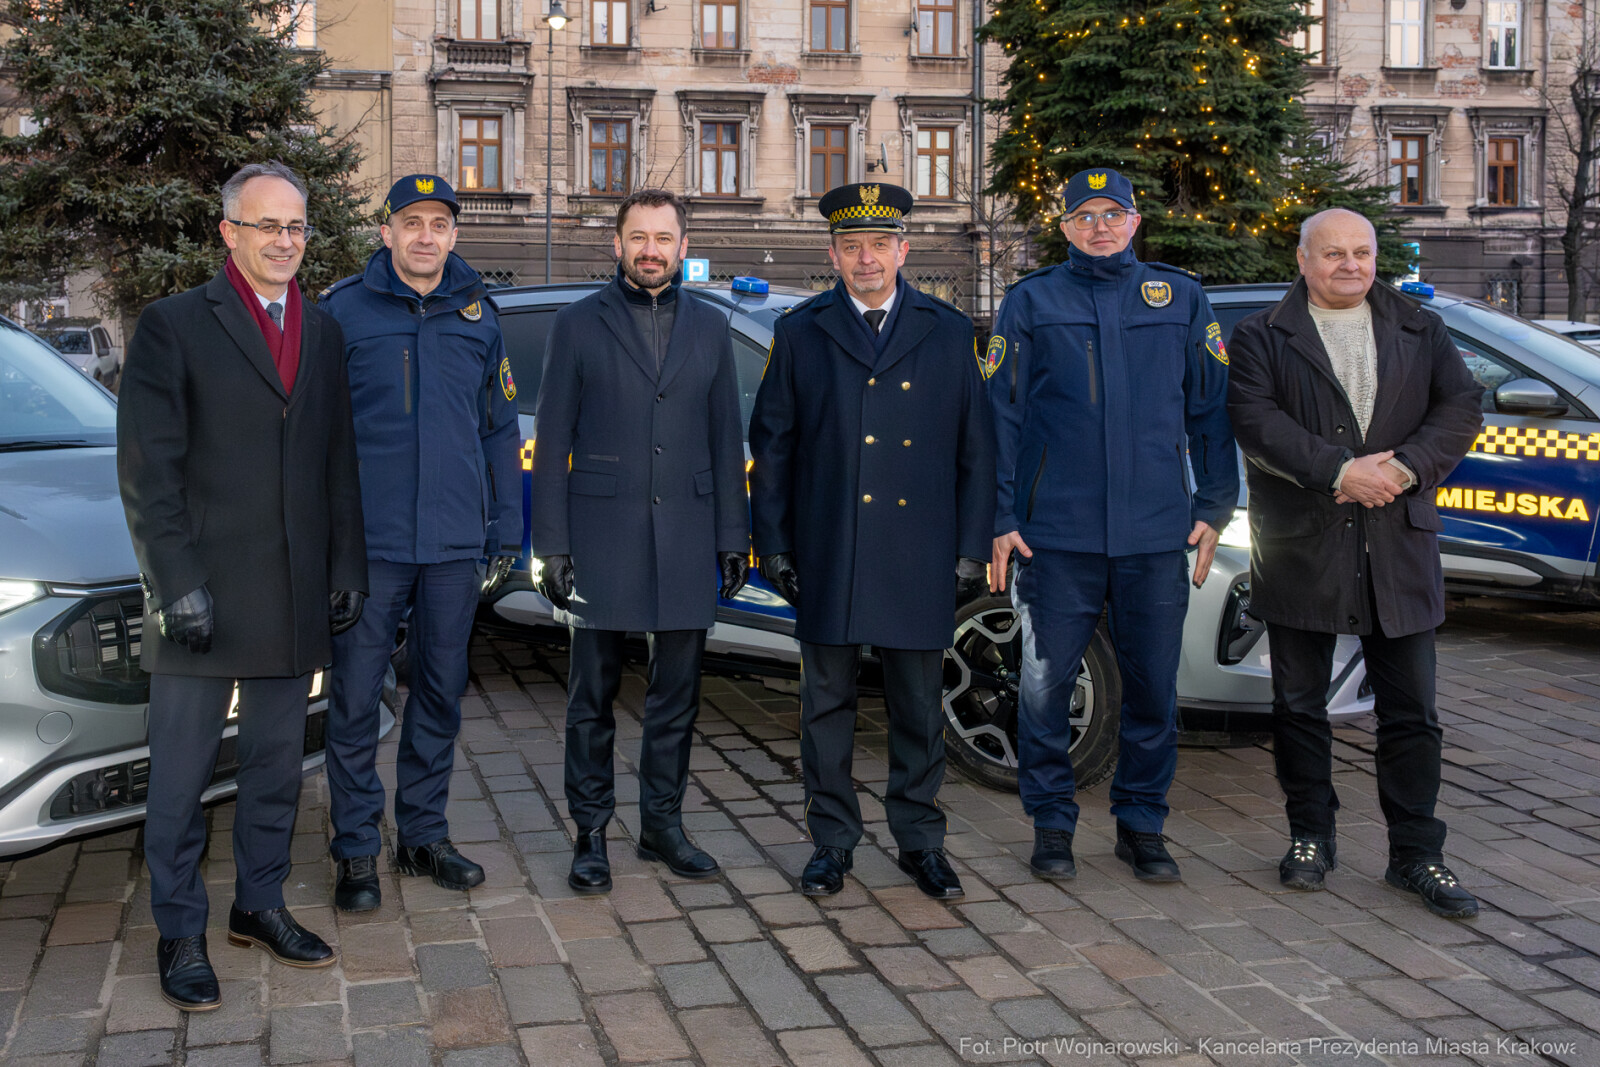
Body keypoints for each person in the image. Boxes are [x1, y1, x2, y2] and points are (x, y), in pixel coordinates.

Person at [117, 161, 367, 1010]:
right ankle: (179, 929)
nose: (284, 241)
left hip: (293, 592)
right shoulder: (174, 324)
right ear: (229, 232)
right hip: (202, 596)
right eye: (267, 225)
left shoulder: (322, 330)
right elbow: (148, 471)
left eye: (296, 226)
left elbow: (337, 459)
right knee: (181, 778)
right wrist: (174, 581)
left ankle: (258, 904)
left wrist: (346, 566)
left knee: (274, 768)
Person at [1226, 208, 1483, 917]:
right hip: (1303, 543)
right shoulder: (1261, 334)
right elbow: (1256, 420)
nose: (1350, 265)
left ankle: (1416, 853)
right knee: (1298, 706)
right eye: (1333, 253)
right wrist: (1340, 470)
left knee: (1413, 711)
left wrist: (1404, 468)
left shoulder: (1419, 327)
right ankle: (1311, 836)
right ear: (1303, 259)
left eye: (1362, 253)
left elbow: (1461, 406)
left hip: (1399, 541)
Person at [988, 168, 1238, 884]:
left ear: (1135, 221)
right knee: (1045, 687)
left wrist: (1214, 505)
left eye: (1113, 213)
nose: (1100, 226)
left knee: (1153, 688)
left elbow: (1210, 409)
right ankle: (1052, 823)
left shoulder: (1180, 297)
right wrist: (1001, 515)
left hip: (1155, 535)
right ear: (1064, 226)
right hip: (1054, 535)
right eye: (1085, 215)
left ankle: (1142, 824)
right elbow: (1001, 415)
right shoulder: (1031, 300)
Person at [749, 182, 995, 900]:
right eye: (852, 246)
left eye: (879, 245)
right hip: (830, 545)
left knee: (917, 706)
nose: (866, 259)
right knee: (825, 706)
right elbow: (773, 448)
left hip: (919, 548)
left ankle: (921, 840)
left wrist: (971, 548)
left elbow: (978, 449)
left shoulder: (947, 331)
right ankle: (831, 841)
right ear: (832, 255)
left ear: (903, 250)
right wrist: (775, 545)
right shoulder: (801, 331)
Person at [530, 189, 749, 894]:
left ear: (683, 247)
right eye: (638, 237)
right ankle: (590, 832)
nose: (650, 250)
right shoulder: (576, 323)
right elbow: (553, 438)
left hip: (687, 531)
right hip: (602, 534)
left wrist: (732, 537)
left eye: (662, 238)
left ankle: (662, 826)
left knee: (675, 696)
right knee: (590, 697)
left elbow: (726, 437)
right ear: (617, 244)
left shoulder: (711, 326)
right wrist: (552, 545)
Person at [318, 175, 523, 910]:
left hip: (453, 543)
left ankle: (423, 836)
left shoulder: (480, 315)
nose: (425, 236)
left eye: (438, 223)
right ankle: (355, 850)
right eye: (412, 222)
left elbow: (499, 427)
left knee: (439, 690)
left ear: (454, 235)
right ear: (387, 232)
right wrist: (328, 541)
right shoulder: (343, 312)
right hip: (370, 546)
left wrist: (507, 527)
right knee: (355, 698)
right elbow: (317, 434)